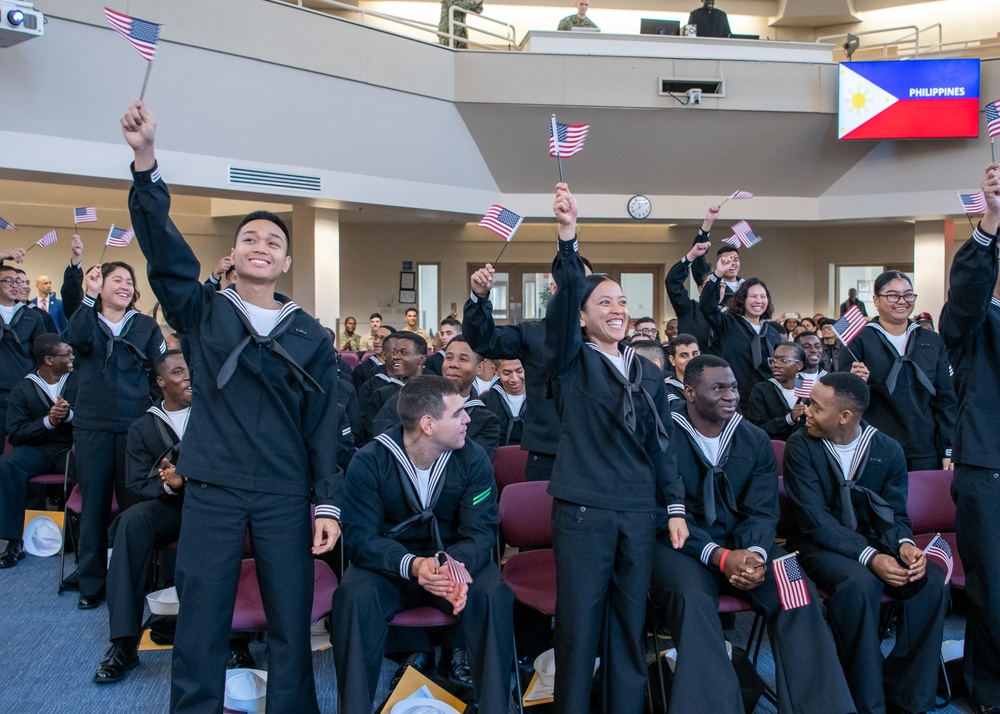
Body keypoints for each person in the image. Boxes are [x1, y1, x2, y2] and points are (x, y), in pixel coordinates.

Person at [121, 99, 342, 714]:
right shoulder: (202, 311)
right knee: (202, 617)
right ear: (236, 253)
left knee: (291, 621)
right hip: (213, 487)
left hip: (282, 490)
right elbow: (164, 252)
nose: (261, 245)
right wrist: (146, 162)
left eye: (273, 240)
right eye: (250, 237)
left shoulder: (312, 335)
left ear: (287, 261)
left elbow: (323, 426)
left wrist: (327, 501)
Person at [545, 182, 687, 714]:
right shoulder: (570, 359)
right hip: (584, 510)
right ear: (581, 316)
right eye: (604, 302)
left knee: (629, 623)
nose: (617, 309)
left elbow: (661, 445)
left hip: (637, 510)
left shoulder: (646, 371)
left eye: (623, 302)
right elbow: (559, 316)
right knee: (580, 626)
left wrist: (673, 505)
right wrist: (567, 237)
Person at [650, 355, 853, 714]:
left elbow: (763, 511)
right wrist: (718, 555)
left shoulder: (754, 438)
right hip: (682, 546)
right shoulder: (662, 435)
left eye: (733, 387)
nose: (731, 396)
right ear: (690, 393)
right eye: (718, 388)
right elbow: (656, 513)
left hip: (748, 547)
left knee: (798, 590)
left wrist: (756, 554)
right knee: (693, 599)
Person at [332, 376, 514, 714]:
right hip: (390, 570)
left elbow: (482, 532)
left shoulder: (473, 459)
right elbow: (360, 538)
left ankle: (496, 708)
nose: (468, 419)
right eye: (458, 413)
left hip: (453, 566)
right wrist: (414, 565)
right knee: (354, 595)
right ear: (428, 424)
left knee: (493, 593)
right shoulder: (370, 461)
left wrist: (449, 568)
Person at [784, 372, 950, 714]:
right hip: (818, 544)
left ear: (844, 416)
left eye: (815, 405)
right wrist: (870, 557)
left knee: (929, 580)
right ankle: (865, 700)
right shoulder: (801, 445)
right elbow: (814, 519)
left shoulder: (887, 448)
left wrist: (904, 545)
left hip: (874, 540)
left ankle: (906, 694)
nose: (806, 411)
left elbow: (894, 514)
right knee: (859, 584)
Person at [64, 250, 165, 610]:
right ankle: (91, 583)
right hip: (92, 427)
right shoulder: (87, 319)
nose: (125, 286)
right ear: (101, 286)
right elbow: (72, 339)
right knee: (93, 507)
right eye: (116, 280)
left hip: (134, 428)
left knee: (134, 508)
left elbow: (159, 372)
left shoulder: (145, 326)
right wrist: (86, 297)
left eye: (129, 281)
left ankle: (135, 579)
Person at [939, 162, 1000, 714]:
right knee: (995, 594)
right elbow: (964, 304)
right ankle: (990, 693)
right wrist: (989, 229)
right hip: (989, 470)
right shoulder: (974, 327)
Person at [94, 350, 191, 683]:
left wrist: (189, 479)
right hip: (170, 507)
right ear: (162, 382)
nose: (189, 377)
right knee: (131, 521)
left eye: (190, 371)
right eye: (179, 372)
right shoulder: (142, 427)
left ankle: (237, 638)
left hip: (213, 505)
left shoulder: (214, 414)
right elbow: (137, 482)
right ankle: (123, 644)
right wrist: (170, 486)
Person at [465, 257, 592, 483]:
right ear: (554, 288)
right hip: (547, 451)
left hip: (596, 450)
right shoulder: (532, 334)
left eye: (582, 284)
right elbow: (484, 340)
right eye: (569, 284)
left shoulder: (606, 340)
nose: (575, 291)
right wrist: (479, 298)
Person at [837, 270, 956, 470]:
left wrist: (948, 448)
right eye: (892, 295)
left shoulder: (931, 340)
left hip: (925, 448)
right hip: (876, 444)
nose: (902, 301)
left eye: (908, 294)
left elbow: (946, 399)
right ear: (875, 299)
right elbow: (844, 396)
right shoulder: (859, 339)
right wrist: (855, 381)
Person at [0, 334, 76, 568]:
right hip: (37, 450)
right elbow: (16, 434)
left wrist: (69, 415)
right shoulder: (23, 388)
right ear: (49, 359)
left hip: (70, 449)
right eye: (67, 354)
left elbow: (96, 421)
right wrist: (49, 421)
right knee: (6, 464)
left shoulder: (79, 382)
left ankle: (84, 539)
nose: (73, 358)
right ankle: (11, 540)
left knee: (92, 465)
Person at [374, 336, 500, 457]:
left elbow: (472, 462)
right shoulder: (413, 394)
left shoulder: (486, 421)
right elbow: (383, 432)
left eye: (463, 359)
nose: (453, 364)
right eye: (449, 357)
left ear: (479, 367)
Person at [699, 262, 780, 413]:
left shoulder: (773, 333)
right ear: (742, 299)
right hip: (734, 399)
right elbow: (706, 307)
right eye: (753, 296)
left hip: (765, 402)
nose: (758, 301)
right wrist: (717, 275)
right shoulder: (728, 324)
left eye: (763, 297)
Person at [0, 264, 49, 450]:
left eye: (18, 281)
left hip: (21, 391)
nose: (15, 285)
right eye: (9, 281)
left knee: (21, 445)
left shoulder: (33, 317)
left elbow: (42, 355)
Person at [365, 331, 427, 442]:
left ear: (421, 359)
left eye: (403, 353)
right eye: (394, 353)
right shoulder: (381, 395)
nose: (396, 357)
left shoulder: (436, 391)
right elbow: (373, 435)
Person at [746, 342, 807, 440]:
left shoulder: (809, 390)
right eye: (774, 360)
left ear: (799, 365)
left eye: (783, 360)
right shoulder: (761, 390)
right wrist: (789, 419)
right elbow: (757, 428)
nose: (776, 365)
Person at [482, 358, 526, 446]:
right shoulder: (486, 401)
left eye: (519, 371)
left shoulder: (540, 399)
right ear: (495, 371)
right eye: (507, 373)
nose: (514, 378)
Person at [664, 333, 701, 403]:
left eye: (695, 354)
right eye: (683, 355)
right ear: (672, 360)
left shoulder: (709, 385)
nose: (691, 359)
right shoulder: (666, 391)